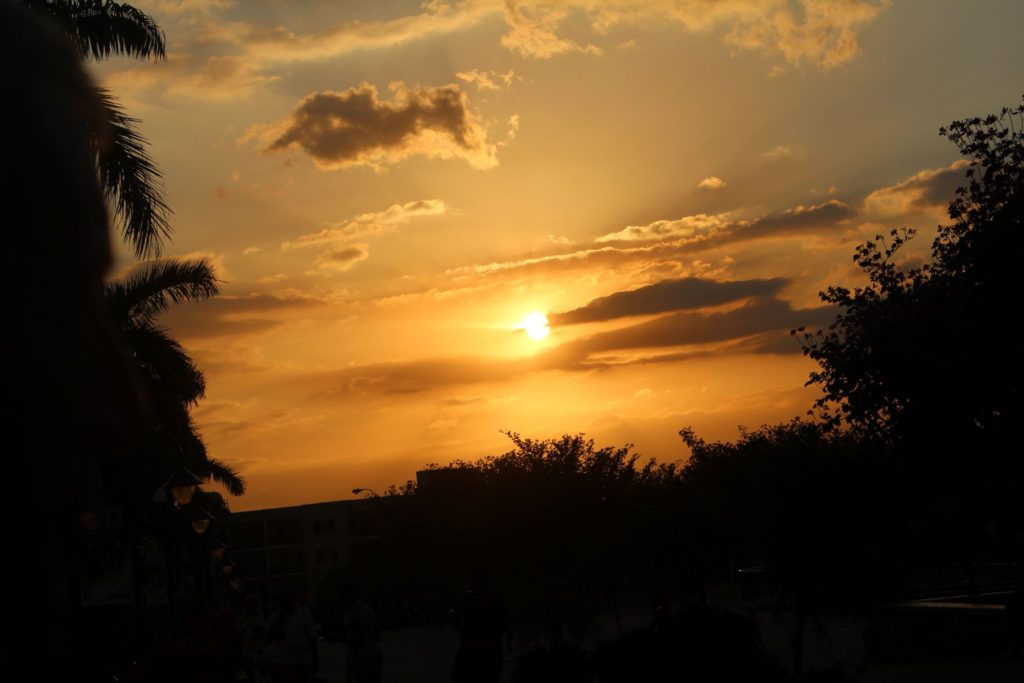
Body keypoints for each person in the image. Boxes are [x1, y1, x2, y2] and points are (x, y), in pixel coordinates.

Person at [451, 570, 509, 683]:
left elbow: (454, 620)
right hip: (490, 650)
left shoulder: (465, 600)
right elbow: (505, 621)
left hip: (471, 649)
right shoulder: (495, 600)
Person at [342, 583, 384, 683]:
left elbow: (357, 641)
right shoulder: (368, 609)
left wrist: (337, 638)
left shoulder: (353, 614)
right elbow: (377, 634)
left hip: (363, 656)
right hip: (375, 652)